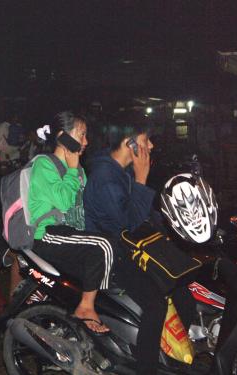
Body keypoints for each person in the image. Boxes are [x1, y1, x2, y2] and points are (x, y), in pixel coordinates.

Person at [83, 125, 196, 374]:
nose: (151, 146)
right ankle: (147, 367)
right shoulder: (105, 178)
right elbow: (128, 223)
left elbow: (145, 215)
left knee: (184, 297)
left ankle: (169, 358)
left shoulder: (117, 170)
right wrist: (142, 177)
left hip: (130, 247)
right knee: (155, 305)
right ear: (129, 144)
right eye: (146, 140)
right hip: (112, 254)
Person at [28, 112, 113, 333]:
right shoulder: (44, 165)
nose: (86, 142)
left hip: (69, 236)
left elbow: (83, 209)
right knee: (101, 246)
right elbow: (64, 202)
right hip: (47, 235)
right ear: (63, 137)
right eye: (81, 135)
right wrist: (73, 170)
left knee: (110, 246)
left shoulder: (79, 171)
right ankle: (85, 309)